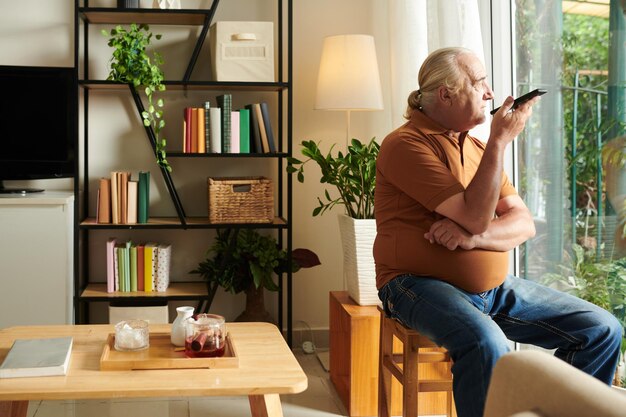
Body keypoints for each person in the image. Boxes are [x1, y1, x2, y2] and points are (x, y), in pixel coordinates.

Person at [373, 46, 622, 417]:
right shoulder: (406, 145)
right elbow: (475, 215)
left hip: (491, 290)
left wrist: (473, 239)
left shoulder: (475, 148)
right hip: (413, 284)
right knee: (485, 341)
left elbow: (522, 224)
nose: (490, 93)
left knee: (601, 329)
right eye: (480, 83)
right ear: (446, 94)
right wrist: (500, 141)